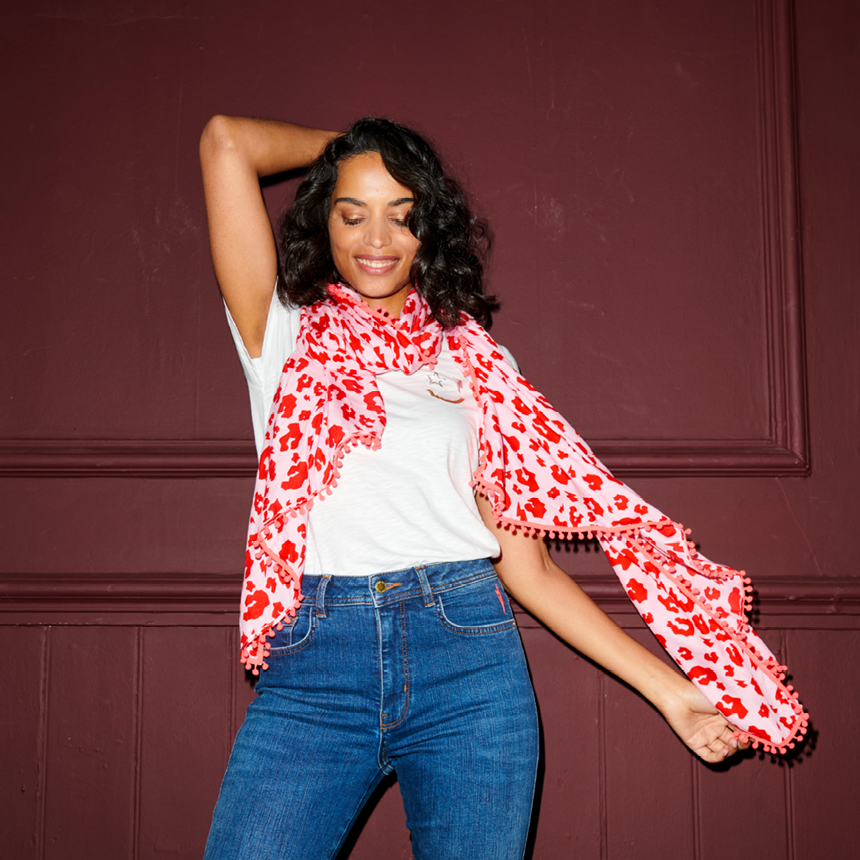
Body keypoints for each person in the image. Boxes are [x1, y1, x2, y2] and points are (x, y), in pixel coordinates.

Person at [198, 115, 753, 860]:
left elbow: (527, 567)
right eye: (352, 211)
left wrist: (672, 693)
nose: (377, 238)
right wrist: (357, 143)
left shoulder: (475, 365)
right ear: (322, 221)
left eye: (403, 214)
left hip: (466, 659)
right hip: (315, 666)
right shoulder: (282, 330)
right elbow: (225, 141)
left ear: (430, 227)